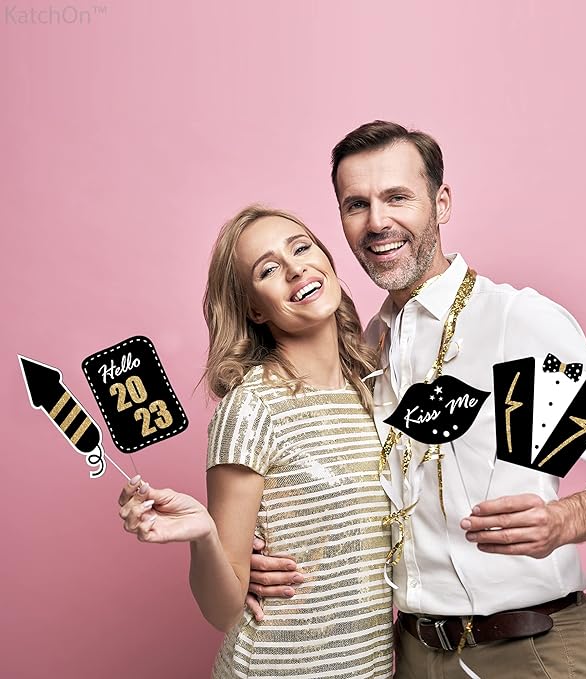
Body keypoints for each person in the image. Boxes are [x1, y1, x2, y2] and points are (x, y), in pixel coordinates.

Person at [248, 121, 586, 679]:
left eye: (398, 197)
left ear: (441, 203)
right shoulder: (368, 348)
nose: (378, 222)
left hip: (527, 648)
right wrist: (246, 547)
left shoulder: (511, 324)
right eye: (357, 205)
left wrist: (564, 518)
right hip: (410, 655)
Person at [117, 205, 394, 679]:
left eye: (301, 248)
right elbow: (223, 609)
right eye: (268, 269)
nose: (294, 268)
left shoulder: (375, 388)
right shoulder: (252, 407)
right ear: (254, 308)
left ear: (326, 259)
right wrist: (204, 534)